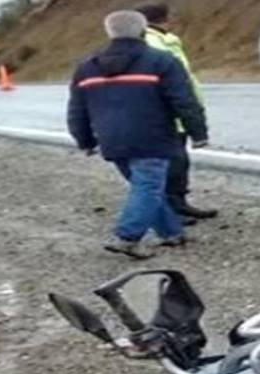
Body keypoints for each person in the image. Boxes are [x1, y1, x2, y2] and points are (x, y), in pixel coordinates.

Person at [67, 10, 209, 259]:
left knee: (145, 187)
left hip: (111, 140)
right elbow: (183, 100)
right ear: (143, 31)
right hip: (153, 137)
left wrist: (85, 140)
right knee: (148, 187)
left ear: (110, 33)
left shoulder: (87, 67)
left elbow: (77, 109)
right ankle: (127, 237)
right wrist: (198, 132)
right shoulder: (161, 61)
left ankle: (171, 233)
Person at [135, 3, 217, 223]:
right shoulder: (153, 42)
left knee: (179, 162)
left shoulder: (165, 39)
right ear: (163, 17)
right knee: (169, 164)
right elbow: (168, 81)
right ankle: (170, 210)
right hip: (168, 113)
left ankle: (179, 204)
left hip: (178, 113)